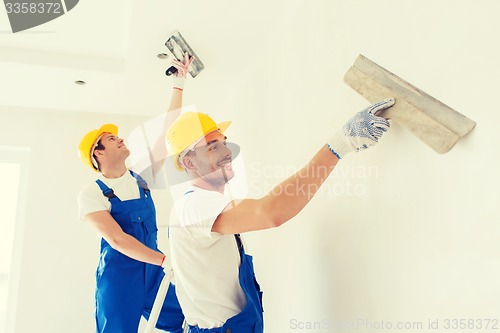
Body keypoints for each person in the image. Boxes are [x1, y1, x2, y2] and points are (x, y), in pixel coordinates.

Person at [165, 98, 395, 333]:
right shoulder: (194, 205)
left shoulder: (200, 205)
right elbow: (271, 212)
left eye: (224, 143)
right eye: (213, 146)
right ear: (188, 161)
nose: (227, 152)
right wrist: (341, 143)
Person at [77, 54, 194, 333]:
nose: (121, 139)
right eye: (111, 139)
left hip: (153, 273)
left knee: (190, 320)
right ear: (98, 153)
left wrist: (178, 84)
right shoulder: (92, 195)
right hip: (119, 280)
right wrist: (165, 260)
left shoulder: (141, 178)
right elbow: (117, 239)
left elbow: (168, 131)